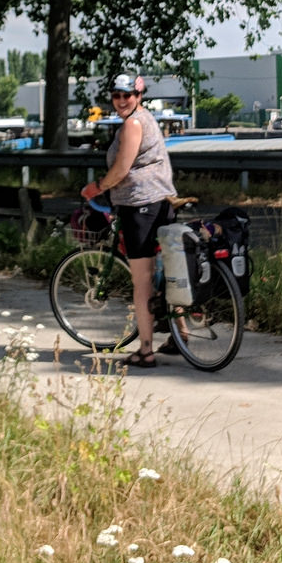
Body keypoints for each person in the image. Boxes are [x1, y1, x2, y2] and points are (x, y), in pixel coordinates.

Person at [80, 72, 176, 367]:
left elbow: (122, 169)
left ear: (139, 96)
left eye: (127, 95)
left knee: (142, 280)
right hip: (161, 202)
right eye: (116, 95)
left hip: (140, 206)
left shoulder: (133, 124)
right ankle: (179, 336)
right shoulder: (146, 118)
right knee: (167, 272)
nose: (121, 101)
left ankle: (146, 350)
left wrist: (97, 187)